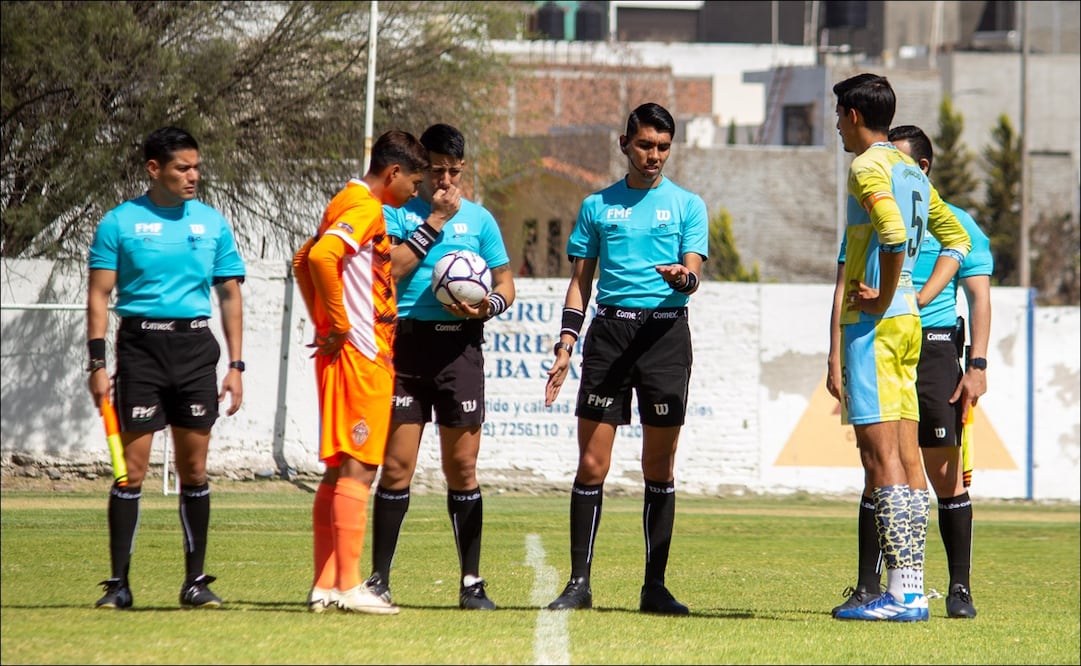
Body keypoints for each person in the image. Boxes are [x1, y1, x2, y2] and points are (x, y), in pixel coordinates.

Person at [543, 102, 708, 615]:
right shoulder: (597, 206)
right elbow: (580, 283)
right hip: (609, 336)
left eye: (662, 146)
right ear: (624, 144)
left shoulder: (688, 205)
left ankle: (653, 587)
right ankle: (578, 584)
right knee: (592, 464)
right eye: (644, 145)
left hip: (664, 336)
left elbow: (693, 272)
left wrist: (684, 279)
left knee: (658, 467)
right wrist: (566, 345)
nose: (653, 155)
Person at [825, 74, 971, 622]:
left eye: (840, 115)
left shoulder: (868, 166)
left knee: (878, 455)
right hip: (909, 322)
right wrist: (910, 291)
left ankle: (904, 597)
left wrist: (884, 293)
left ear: (856, 115)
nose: (837, 125)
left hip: (876, 325)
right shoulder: (911, 170)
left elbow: (888, 231)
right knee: (907, 457)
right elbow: (953, 239)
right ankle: (908, 587)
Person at [87, 126, 246, 610]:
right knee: (129, 473)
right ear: (154, 169)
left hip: (196, 349)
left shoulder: (213, 224)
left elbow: (230, 295)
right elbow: (98, 294)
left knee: (193, 469)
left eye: (196, 166)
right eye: (182, 167)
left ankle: (194, 583)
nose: (193, 175)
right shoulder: (119, 222)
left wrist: (236, 365)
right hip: (140, 349)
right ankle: (119, 585)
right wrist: (97, 362)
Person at [362, 123, 516, 611]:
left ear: (462, 168)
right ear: (421, 168)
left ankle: (472, 583)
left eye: (453, 171)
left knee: (463, 468)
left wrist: (489, 304)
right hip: (406, 348)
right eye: (436, 170)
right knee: (397, 466)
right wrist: (434, 221)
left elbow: (507, 283)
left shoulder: (480, 220)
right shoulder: (399, 212)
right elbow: (390, 270)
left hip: (460, 350)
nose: (444, 180)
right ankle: (379, 580)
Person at [292, 129, 429, 615]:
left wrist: (326, 322)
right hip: (363, 354)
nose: (415, 192)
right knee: (360, 467)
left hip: (345, 351)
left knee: (339, 467)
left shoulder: (343, 199)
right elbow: (324, 258)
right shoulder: (367, 208)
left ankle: (327, 583)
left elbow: (302, 257)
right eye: (413, 181)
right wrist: (342, 324)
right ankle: (350, 584)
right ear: (393, 174)